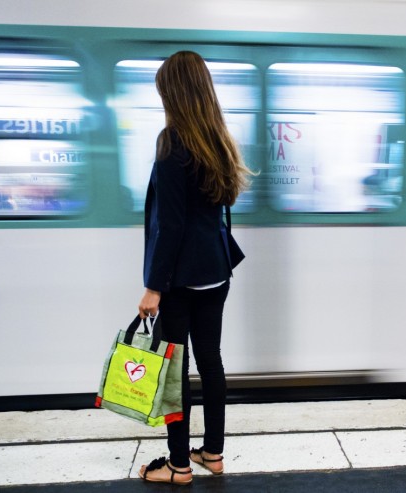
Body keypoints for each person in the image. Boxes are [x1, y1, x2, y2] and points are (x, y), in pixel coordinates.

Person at [137, 51, 253, 485]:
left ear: (172, 92)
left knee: (173, 366)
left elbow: (170, 224)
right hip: (216, 271)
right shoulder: (217, 137)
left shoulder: (172, 142)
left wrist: (154, 286)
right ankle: (214, 453)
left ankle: (179, 465)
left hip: (180, 277)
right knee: (210, 360)